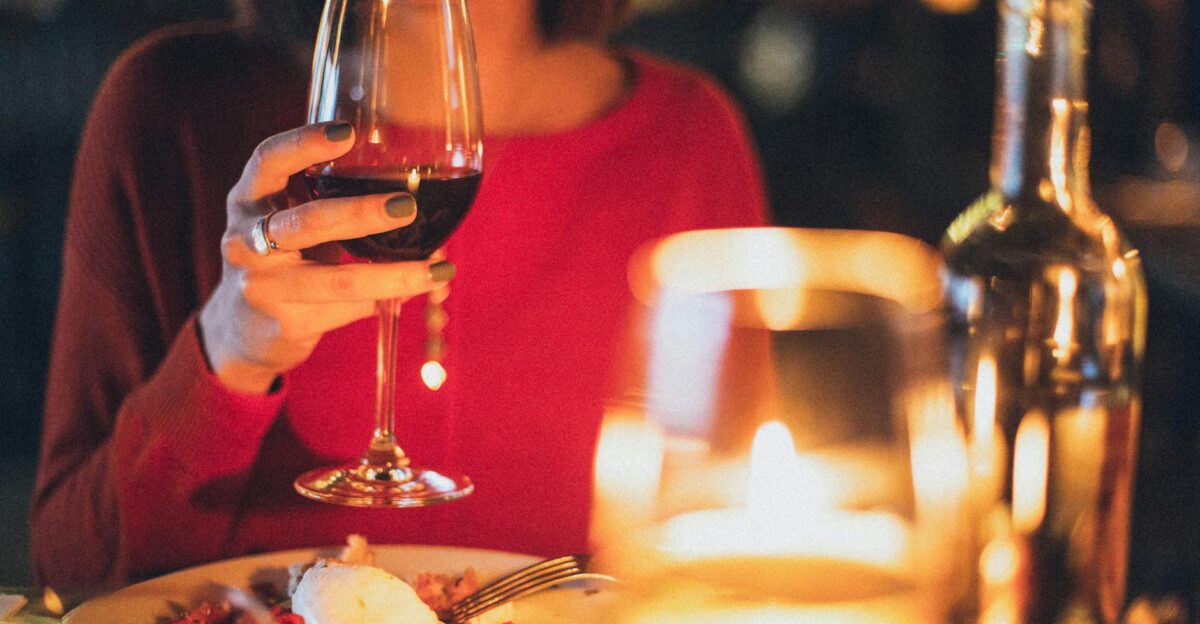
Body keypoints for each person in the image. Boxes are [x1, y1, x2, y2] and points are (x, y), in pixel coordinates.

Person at [30, 0, 767, 590]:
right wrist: (225, 357)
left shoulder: (689, 143)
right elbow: (71, 575)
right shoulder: (167, 106)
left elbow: (726, 558)